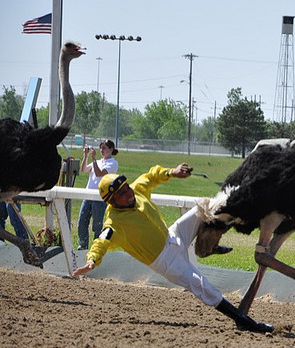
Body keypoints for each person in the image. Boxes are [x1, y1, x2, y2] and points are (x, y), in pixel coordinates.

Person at [72, 163, 273, 333]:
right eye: (122, 194)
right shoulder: (113, 223)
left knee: (203, 207)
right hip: (166, 261)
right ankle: (244, 321)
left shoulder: (136, 190)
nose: (128, 193)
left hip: (173, 235)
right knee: (202, 286)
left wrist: (172, 172)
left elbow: (150, 176)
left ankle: (207, 246)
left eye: (126, 188)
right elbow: (101, 241)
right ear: (112, 202)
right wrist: (92, 260)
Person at [77, 140, 119, 250]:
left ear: (111, 150)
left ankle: (97, 249)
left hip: (100, 198)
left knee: (97, 225)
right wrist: (86, 156)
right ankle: (82, 247)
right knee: (82, 223)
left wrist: (94, 159)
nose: (102, 150)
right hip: (88, 196)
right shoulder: (98, 161)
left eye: (104, 148)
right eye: (101, 148)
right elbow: (84, 169)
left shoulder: (113, 163)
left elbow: (100, 173)